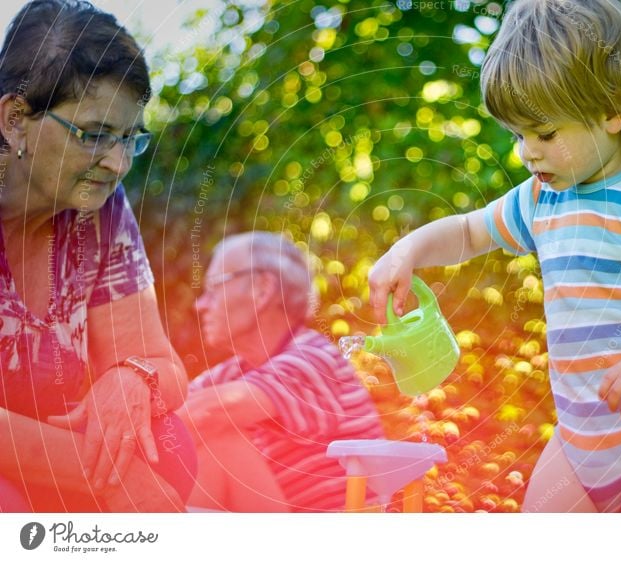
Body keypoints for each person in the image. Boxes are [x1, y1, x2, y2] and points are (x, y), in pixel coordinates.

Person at [369, 0, 621, 513]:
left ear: (613, 111)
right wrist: (407, 249)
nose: (527, 151)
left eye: (545, 133)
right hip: (578, 440)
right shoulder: (542, 198)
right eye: (518, 134)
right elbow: (471, 232)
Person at [0, 0, 195, 512]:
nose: (118, 163)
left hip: (50, 453)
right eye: (94, 136)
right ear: (14, 119)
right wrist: (112, 480)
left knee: (170, 444)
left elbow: (164, 367)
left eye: (131, 139)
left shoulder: (98, 208)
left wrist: (133, 377)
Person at [178, 232, 385, 512]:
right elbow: (172, 415)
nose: (200, 305)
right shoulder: (228, 377)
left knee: (216, 436)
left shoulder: (313, 357)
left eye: (215, 286)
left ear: (262, 289)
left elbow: (201, 414)